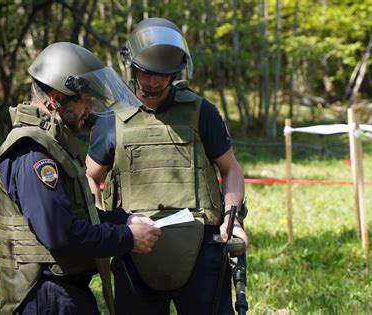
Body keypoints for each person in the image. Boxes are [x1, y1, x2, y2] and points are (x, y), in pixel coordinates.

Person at [85, 18, 249, 314]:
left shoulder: (202, 112)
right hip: (134, 245)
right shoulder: (112, 120)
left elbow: (231, 169)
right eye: (146, 72)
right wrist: (103, 228)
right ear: (131, 66)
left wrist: (232, 219)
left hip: (203, 243)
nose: (153, 82)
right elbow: (89, 177)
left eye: (163, 75)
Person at [0, 42, 161, 315]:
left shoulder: (51, 145)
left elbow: (77, 216)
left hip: (61, 292)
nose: (90, 110)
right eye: (85, 99)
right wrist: (127, 237)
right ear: (58, 96)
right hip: (46, 296)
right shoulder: (33, 152)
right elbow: (61, 233)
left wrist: (123, 219)